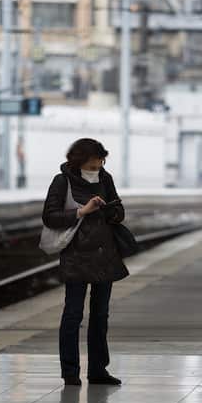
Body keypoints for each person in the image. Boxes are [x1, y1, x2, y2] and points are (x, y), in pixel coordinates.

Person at [42, 138, 128, 386]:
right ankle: (70, 372)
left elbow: (118, 209)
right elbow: (50, 216)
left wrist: (111, 211)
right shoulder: (63, 181)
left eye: (100, 163)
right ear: (78, 162)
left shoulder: (105, 178)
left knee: (101, 315)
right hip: (76, 256)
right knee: (73, 314)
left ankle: (98, 369)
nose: (97, 169)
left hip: (104, 255)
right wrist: (82, 211)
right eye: (92, 165)